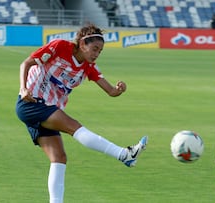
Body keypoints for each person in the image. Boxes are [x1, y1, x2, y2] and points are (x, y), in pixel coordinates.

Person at [15, 24, 148, 203]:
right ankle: (124, 155)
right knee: (74, 127)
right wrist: (23, 88)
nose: (96, 54)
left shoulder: (89, 67)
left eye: (100, 51)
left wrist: (119, 89)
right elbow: (27, 63)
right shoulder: (60, 47)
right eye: (94, 49)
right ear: (82, 44)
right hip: (32, 103)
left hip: (47, 108)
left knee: (59, 158)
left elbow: (110, 91)